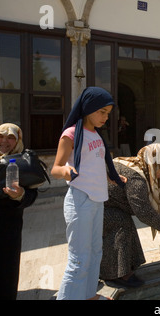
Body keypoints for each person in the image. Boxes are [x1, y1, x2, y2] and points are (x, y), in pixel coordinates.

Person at [51, 87, 127, 300]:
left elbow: (97, 163)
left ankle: (88, 295)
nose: (105, 117)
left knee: (95, 253)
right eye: (102, 112)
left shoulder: (96, 135)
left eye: (108, 113)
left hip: (97, 200)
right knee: (79, 259)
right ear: (89, 108)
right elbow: (55, 168)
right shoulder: (71, 134)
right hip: (80, 200)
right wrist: (66, 171)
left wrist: (113, 177)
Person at [100, 143, 160, 287]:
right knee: (121, 225)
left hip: (112, 205)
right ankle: (118, 274)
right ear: (154, 163)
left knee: (125, 224)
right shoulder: (137, 179)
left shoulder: (146, 168)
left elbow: (158, 199)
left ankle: (123, 270)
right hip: (100, 208)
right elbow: (143, 211)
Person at [0, 123, 38, 300]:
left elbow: (33, 195)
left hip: (7, 230)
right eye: (0, 135)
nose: (4, 141)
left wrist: (20, 195)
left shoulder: (23, 161)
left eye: (11, 137)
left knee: (6, 273)